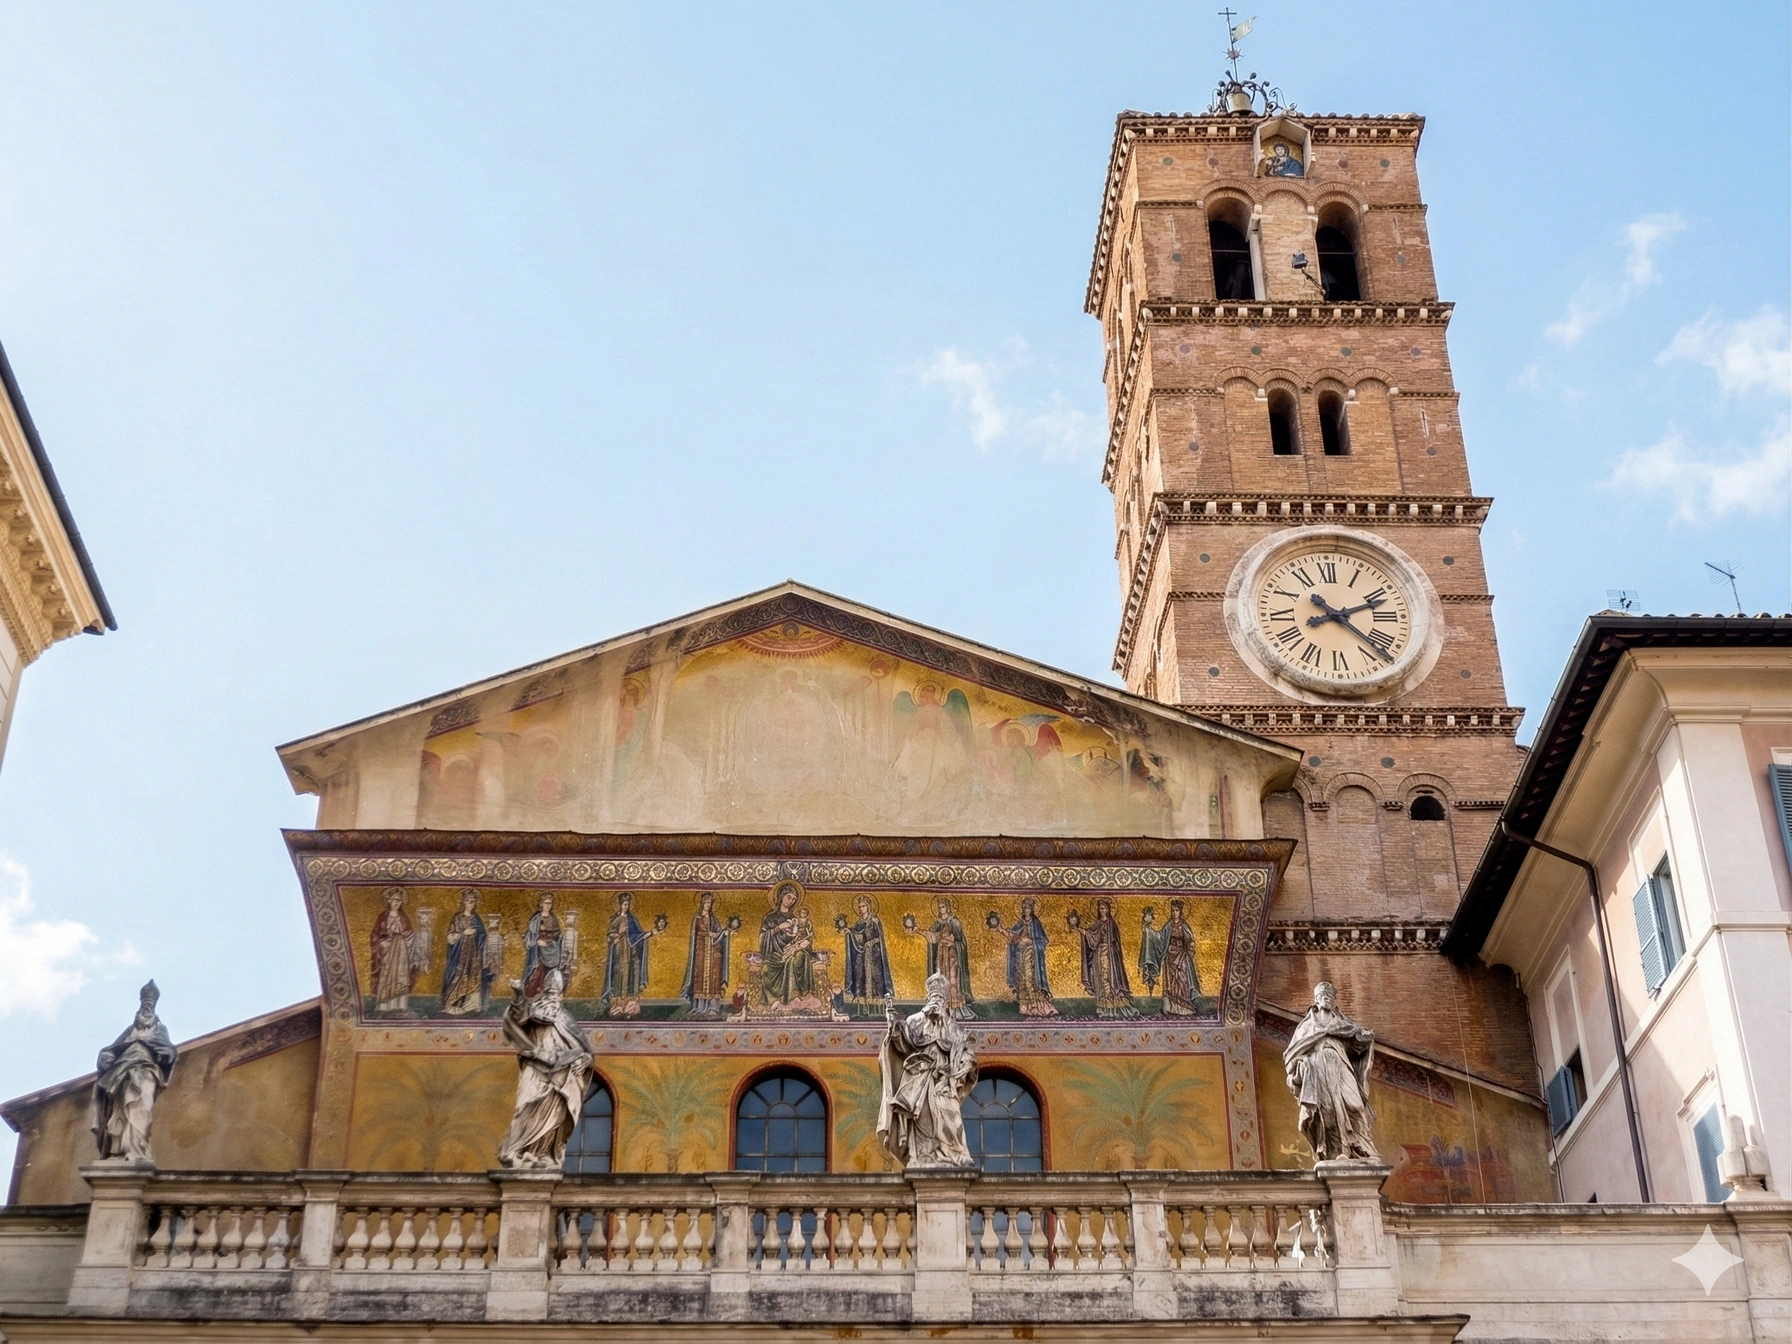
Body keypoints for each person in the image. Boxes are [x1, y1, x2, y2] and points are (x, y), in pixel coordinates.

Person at [877, 974, 977, 1168]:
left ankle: (955, 1155)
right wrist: (894, 1028)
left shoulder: (951, 1026)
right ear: (928, 1000)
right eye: (934, 998)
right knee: (922, 1119)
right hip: (921, 1078)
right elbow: (902, 1044)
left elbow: (965, 1052)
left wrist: (966, 1063)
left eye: (940, 999)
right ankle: (922, 1156)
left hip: (944, 1080)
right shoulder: (915, 1021)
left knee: (949, 1113)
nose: (936, 1002)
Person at [496, 971, 594, 1169]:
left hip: (559, 1075)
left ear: (561, 997)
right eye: (548, 993)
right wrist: (518, 994)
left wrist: (584, 1059)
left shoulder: (565, 1019)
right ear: (542, 993)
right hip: (535, 1067)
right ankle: (518, 1152)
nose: (551, 997)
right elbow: (518, 1016)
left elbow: (585, 1051)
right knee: (527, 1106)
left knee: (554, 1115)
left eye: (555, 994)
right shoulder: (532, 1011)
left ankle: (543, 1155)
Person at [1282, 981, 1379, 1163]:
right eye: (1323, 997)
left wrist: (1363, 1038)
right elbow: (1292, 1055)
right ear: (1316, 1000)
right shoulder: (1306, 1027)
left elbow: (1357, 1045)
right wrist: (1302, 1065)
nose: (1327, 999)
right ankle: (1337, 1151)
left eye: (1329, 997)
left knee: (1355, 1104)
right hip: (1318, 1068)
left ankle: (1361, 1145)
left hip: (1341, 1064)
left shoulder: (1342, 1023)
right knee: (1327, 1110)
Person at [92, 981, 177, 1164]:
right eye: (144, 1004)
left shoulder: (160, 1029)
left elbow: (168, 1050)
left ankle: (136, 1148)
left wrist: (165, 1055)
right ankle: (117, 1150)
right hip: (122, 1070)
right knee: (119, 1110)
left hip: (147, 1070)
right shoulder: (130, 1031)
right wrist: (105, 1057)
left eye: (149, 1005)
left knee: (141, 1106)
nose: (146, 1008)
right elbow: (111, 1050)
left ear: (153, 1009)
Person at [1078, 899, 1139, 1019]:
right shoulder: (1097, 923)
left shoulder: (1112, 923)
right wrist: (1082, 931)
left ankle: (1115, 1008)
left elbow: (1115, 941)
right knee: (1101, 979)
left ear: (1108, 910)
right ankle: (1104, 1009)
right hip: (1098, 954)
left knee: (1110, 979)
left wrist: (1112, 950)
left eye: (1104, 908)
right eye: (1100, 908)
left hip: (1110, 955)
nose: (1102, 910)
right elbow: (1091, 935)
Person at [759, 881, 817, 1006]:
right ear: (781, 896)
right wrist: (779, 927)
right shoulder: (769, 917)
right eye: (789, 897)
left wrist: (801, 943)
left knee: (800, 956)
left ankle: (795, 996)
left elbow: (802, 936)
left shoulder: (794, 918)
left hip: (792, 951)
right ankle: (774, 1001)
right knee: (765, 969)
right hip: (774, 954)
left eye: (794, 899)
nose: (791, 901)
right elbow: (763, 938)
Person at [602, 892, 657, 1018]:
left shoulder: (632, 919)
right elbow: (609, 934)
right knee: (619, 975)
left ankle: (630, 1006)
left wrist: (648, 934)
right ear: (620, 905)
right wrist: (618, 935)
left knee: (632, 974)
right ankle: (617, 1005)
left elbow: (638, 934)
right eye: (624, 904)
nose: (626, 907)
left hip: (631, 951)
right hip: (619, 952)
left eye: (628, 904)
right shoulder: (616, 918)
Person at [919, 898, 974, 1018]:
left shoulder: (954, 922)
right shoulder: (937, 924)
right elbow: (931, 935)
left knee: (952, 980)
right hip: (941, 956)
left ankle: (955, 1009)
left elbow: (960, 941)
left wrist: (952, 943)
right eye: (939, 907)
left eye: (943, 906)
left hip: (952, 956)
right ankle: (942, 1008)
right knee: (941, 980)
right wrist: (917, 930)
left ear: (948, 907)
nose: (941, 909)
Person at [441, 889, 491, 1016]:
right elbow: (450, 937)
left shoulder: (476, 919)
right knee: (457, 975)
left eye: (473, 902)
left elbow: (483, 935)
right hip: (459, 954)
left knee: (473, 976)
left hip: (473, 954)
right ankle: (452, 1004)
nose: (471, 904)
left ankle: (470, 1005)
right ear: (463, 902)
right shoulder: (457, 918)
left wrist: (478, 935)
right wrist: (463, 933)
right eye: (469, 902)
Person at [680, 891, 730, 1018]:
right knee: (699, 976)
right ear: (702, 903)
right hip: (701, 951)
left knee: (714, 977)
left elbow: (719, 933)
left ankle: (713, 1007)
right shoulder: (697, 918)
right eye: (706, 902)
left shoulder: (714, 919)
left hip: (714, 952)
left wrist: (724, 934)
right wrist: (708, 934)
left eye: (710, 903)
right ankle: (698, 1007)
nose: (708, 905)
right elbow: (695, 934)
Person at [1005, 897, 1057, 1017]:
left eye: (1028, 908)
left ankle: (1037, 1006)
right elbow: (1012, 937)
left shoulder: (1035, 923)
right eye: (1024, 908)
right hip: (1020, 955)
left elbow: (1043, 940)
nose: (1026, 910)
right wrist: (1000, 929)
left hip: (1031, 954)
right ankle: (1026, 1007)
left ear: (1032, 909)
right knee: (1021, 980)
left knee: (1029, 979)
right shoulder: (1020, 923)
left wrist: (1030, 941)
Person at [371, 888, 421, 1012]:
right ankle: (384, 1005)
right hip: (387, 950)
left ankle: (400, 1005)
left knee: (401, 975)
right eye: (393, 899)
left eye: (398, 900)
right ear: (388, 900)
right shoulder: (383, 916)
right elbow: (375, 934)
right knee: (387, 973)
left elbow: (409, 933)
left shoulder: (403, 917)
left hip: (401, 950)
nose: (396, 902)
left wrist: (413, 937)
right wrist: (381, 942)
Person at [845, 895, 894, 1006]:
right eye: (859, 907)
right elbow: (858, 935)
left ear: (868, 906)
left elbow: (879, 938)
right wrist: (849, 932)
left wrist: (870, 943)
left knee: (876, 973)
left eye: (863, 906)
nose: (861, 909)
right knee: (859, 973)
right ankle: (860, 996)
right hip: (861, 953)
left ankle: (878, 997)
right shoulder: (858, 923)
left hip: (874, 953)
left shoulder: (874, 921)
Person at [1159, 900, 1204, 1017]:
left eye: (1177, 910)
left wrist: (1189, 951)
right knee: (1169, 983)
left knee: (1182, 982)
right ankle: (1169, 1007)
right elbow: (1160, 939)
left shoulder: (1184, 926)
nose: (1174, 913)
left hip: (1181, 957)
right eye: (1173, 910)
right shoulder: (1168, 926)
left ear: (1181, 912)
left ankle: (1184, 1008)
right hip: (1169, 958)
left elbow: (1190, 942)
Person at [522, 892, 565, 998]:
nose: (548, 905)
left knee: (550, 974)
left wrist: (549, 941)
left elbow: (557, 935)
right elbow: (530, 935)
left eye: (550, 903)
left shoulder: (553, 919)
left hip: (552, 950)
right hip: (538, 950)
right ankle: (531, 996)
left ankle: (547, 996)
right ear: (541, 904)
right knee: (537, 973)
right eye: (546, 903)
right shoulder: (535, 919)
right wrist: (537, 941)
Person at [1137, 907, 1164, 996]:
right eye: (1146, 916)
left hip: (1152, 957)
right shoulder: (1146, 930)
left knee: (1152, 973)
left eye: (1149, 916)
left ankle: (1151, 992)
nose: (1147, 918)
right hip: (1147, 956)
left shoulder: (1151, 931)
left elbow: (1158, 937)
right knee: (1148, 972)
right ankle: (1150, 992)